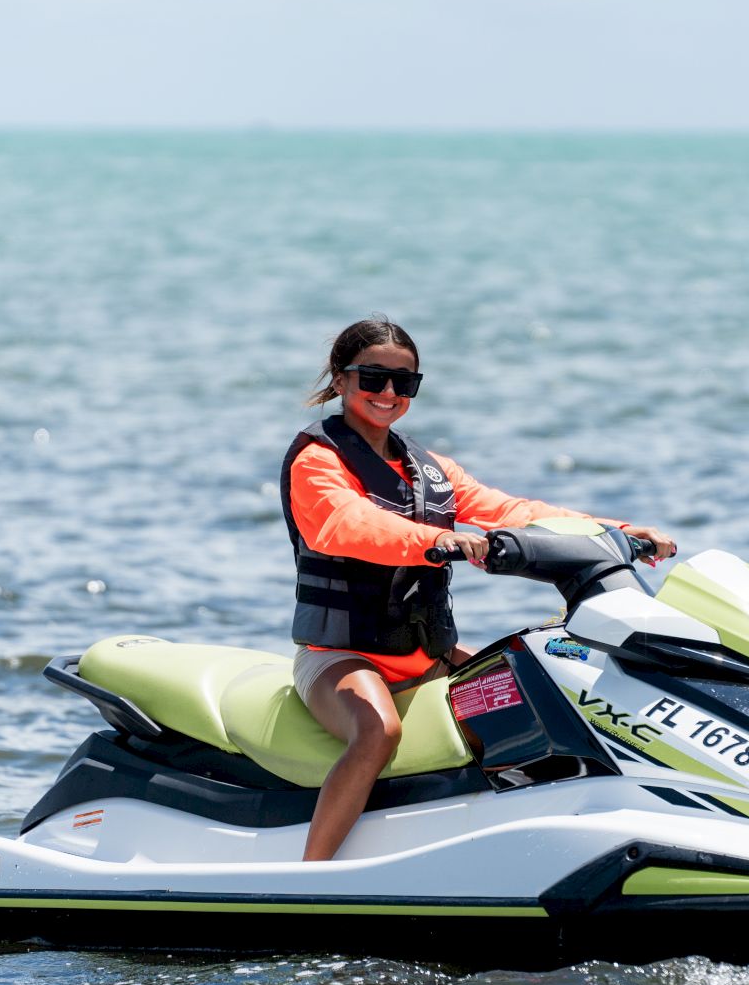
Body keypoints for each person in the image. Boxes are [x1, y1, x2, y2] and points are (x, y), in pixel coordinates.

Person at [280, 317, 675, 861]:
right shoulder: (317, 459)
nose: (389, 393)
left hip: (425, 655)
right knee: (378, 731)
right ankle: (312, 874)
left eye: (405, 383)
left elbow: (515, 512)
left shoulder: (429, 469)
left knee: (542, 679)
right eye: (373, 378)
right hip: (341, 656)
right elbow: (348, 525)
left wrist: (618, 534)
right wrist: (443, 541)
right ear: (342, 379)